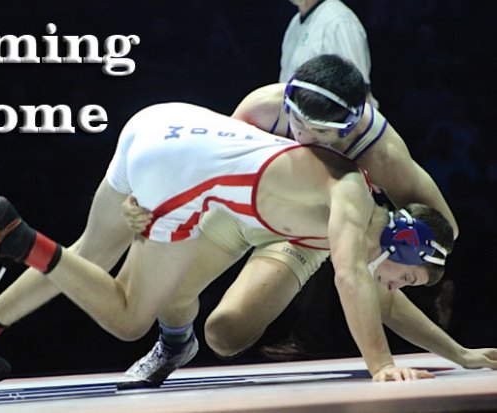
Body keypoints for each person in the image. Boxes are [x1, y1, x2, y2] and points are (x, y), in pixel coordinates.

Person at [0, 101, 457, 386]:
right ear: (403, 245)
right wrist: (381, 366)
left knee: (89, 253)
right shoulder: (353, 203)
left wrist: (459, 354)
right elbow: (353, 281)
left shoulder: (350, 193)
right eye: (406, 276)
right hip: (179, 176)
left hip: (160, 122)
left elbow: (380, 300)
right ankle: (20, 239)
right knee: (130, 317)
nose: (395, 285)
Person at [116, 54, 461, 388]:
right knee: (160, 295)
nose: (305, 137)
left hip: (307, 234)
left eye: (321, 132)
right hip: (242, 209)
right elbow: (206, 164)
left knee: (225, 334)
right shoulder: (262, 105)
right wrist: (149, 194)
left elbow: (436, 233)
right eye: (299, 123)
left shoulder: (382, 152)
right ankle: (174, 343)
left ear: (349, 126)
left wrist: (443, 346)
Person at [279, 0, 378, 107]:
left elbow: (359, 97)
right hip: (295, 119)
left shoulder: (340, 22)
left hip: (325, 121)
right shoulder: (294, 23)